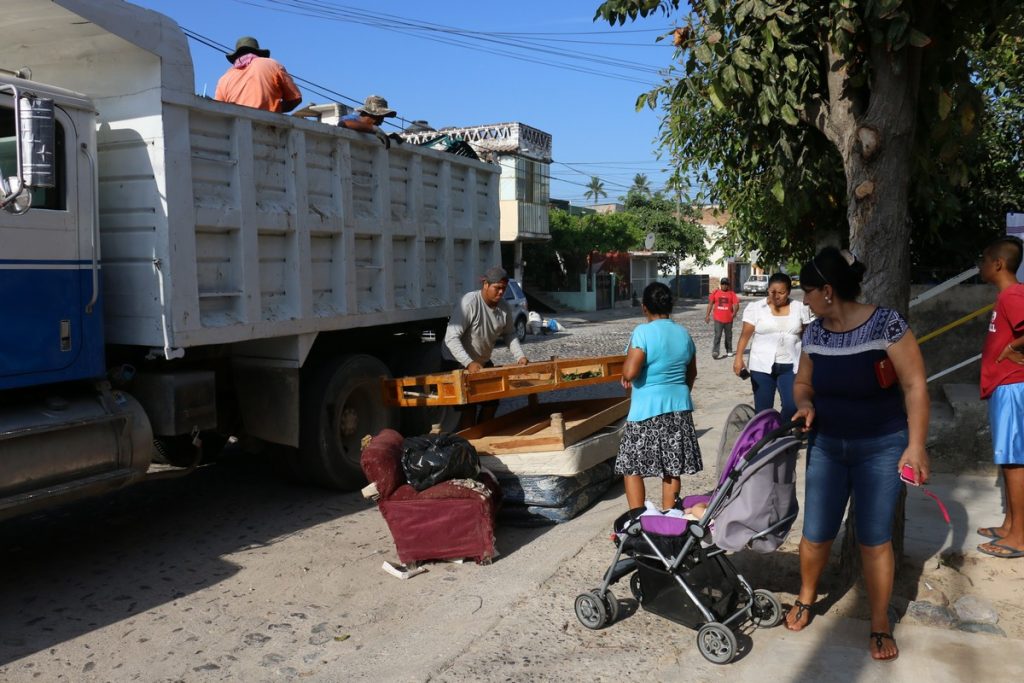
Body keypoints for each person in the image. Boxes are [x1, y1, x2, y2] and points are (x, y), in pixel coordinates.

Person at [785, 247, 930, 663]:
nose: (804, 299)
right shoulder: (814, 334)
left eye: (808, 290)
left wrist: (916, 445)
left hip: (881, 448)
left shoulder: (887, 324)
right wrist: (805, 404)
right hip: (826, 446)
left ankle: (880, 622)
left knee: (874, 539)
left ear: (828, 290)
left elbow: (915, 385)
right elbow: (803, 384)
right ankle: (807, 598)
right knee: (816, 533)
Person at [615, 282, 703, 511]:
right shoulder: (684, 334)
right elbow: (691, 373)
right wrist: (678, 393)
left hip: (647, 410)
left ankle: (637, 518)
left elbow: (630, 372)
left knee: (631, 466)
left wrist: (626, 373)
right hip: (678, 408)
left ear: (644, 307)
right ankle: (670, 518)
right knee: (672, 468)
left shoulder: (642, 332)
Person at [976, 235, 1024, 559]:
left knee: (1015, 461)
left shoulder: (1013, 295)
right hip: (1003, 385)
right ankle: (1010, 525)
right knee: (1009, 460)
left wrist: (1012, 348)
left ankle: (1019, 537)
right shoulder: (1007, 296)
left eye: (983, 259)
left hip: (1012, 386)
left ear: (998, 264)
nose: (980, 265)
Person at [442, 266, 529, 427]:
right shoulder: (469, 302)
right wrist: (468, 363)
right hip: (457, 359)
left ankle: (484, 433)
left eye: (504, 288)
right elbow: (451, 338)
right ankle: (469, 439)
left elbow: (509, 334)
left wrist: (520, 356)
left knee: (492, 401)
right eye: (497, 288)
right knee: (469, 406)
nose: (501, 292)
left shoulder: (504, 307)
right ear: (486, 285)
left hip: (481, 361)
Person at [732, 273, 812, 422]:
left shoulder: (800, 308)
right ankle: (767, 434)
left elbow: (807, 336)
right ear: (768, 289)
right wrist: (738, 358)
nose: (776, 296)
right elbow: (745, 335)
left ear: (789, 291)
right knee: (763, 410)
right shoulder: (756, 308)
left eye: (781, 292)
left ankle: (782, 431)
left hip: (791, 366)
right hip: (761, 366)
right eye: (772, 292)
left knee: (792, 405)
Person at [214, 37, 302, 113]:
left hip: (236, 125)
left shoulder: (224, 78)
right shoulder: (272, 64)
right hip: (268, 124)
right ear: (258, 53)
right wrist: (274, 109)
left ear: (236, 56)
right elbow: (295, 99)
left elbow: (218, 110)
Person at [339, 95, 404, 148]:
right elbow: (343, 123)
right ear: (368, 114)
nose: (381, 121)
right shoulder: (352, 119)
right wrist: (374, 128)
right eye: (379, 117)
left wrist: (389, 138)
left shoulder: (369, 130)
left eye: (382, 117)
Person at [704, 277, 740, 359]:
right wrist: (707, 315)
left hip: (728, 319)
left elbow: (736, 304)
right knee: (717, 335)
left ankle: (729, 350)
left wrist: (734, 313)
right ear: (720, 284)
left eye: (726, 284)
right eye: (723, 284)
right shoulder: (715, 292)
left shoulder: (731, 294)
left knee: (728, 336)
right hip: (718, 319)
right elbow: (710, 304)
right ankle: (715, 351)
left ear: (728, 285)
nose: (724, 285)